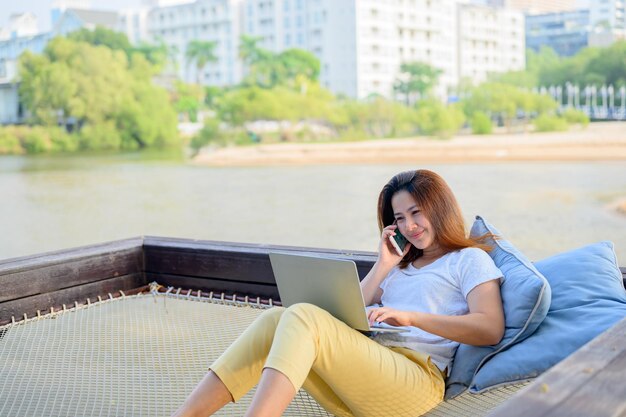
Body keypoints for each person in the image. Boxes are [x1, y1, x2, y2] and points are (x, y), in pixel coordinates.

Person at [172, 169, 505, 417]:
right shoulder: (401, 266)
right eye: (400, 218)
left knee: (303, 315)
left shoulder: (468, 259)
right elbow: (348, 312)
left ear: (439, 208)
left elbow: (489, 328)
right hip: (369, 372)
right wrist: (384, 264)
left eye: (416, 213)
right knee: (278, 318)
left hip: (417, 382)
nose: (409, 226)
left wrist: (411, 318)